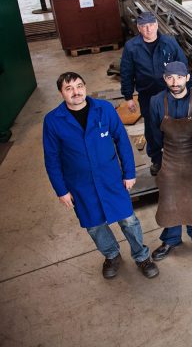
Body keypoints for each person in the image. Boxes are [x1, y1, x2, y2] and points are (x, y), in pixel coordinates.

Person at [43, 72, 159, 279]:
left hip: (111, 179)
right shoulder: (53, 121)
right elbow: (51, 159)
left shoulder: (104, 109)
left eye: (79, 86)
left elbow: (122, 140)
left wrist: (129, 173)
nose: (76, 92)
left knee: (129, 220)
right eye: (69, 88)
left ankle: (141, 256)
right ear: (61, 93)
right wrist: (61, 190)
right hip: (80, 185)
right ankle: (112, 255)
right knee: (94, 226)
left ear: (85, 87)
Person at [147, 62, 192, 261]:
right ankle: (170, 239)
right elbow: (153, 134)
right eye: (170, 77)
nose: (175, 82)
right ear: (164, 79)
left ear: (187, 78)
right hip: (169, 158)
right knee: (169, 201)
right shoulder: (156, 102)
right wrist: (158, 161)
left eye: (179, 77)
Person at [120, 11, 187, 176]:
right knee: (152, 128)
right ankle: (157, 159)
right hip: (147, 95)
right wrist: (128, 97)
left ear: (157, 25)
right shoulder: (131, 47)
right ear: (138, 28)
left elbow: (182, 65)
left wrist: (187, 90)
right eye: (144, 26)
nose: (148, 29)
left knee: (175, 123)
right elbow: (126, 72)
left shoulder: (169, 43)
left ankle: (179, 157)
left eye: (151, 25)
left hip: (170, 93)